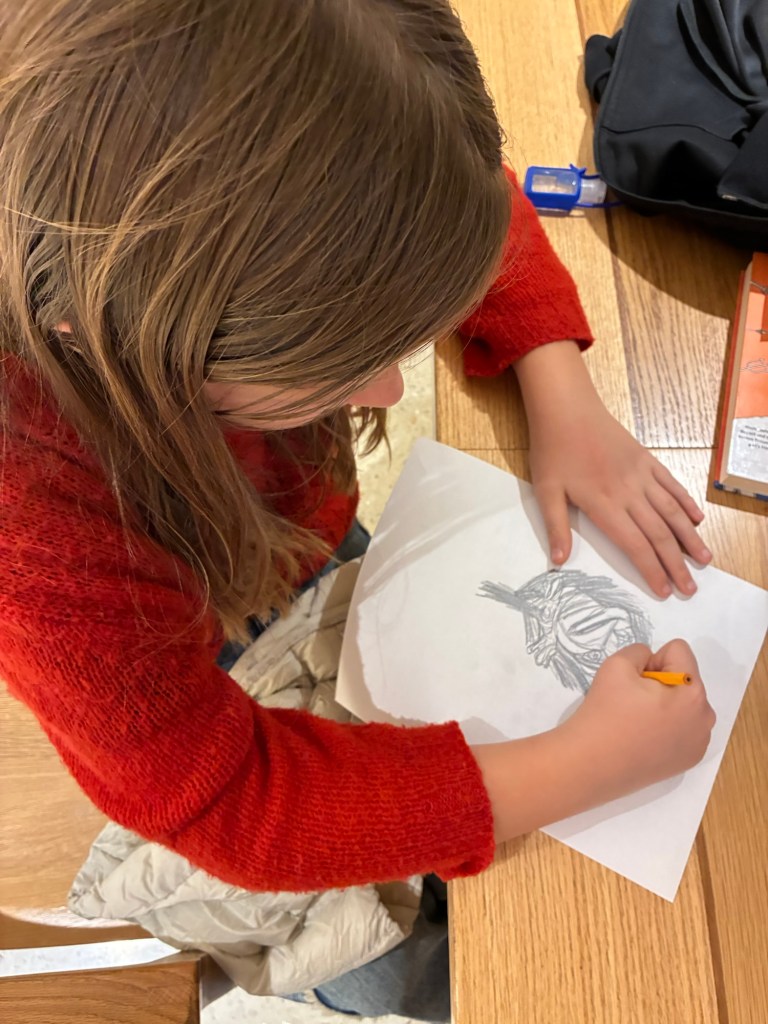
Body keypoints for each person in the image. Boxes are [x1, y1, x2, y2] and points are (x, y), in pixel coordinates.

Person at [0, 0, 715, 1019]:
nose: (387, 389)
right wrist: (589, 762)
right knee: (395, 963)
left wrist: (561, 386)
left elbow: (451, 197)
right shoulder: (32, 525)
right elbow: (233, 802)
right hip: (186, 659)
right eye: (340, 361)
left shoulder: (275, 161)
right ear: (119, 334)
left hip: (294, 543)